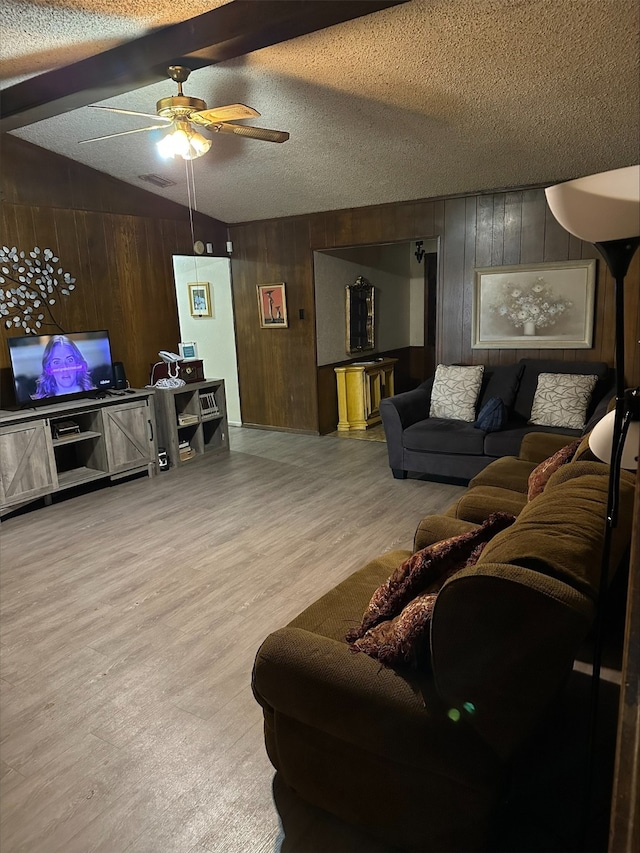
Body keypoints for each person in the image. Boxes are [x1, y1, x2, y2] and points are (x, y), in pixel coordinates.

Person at [31, 335, 97, 399]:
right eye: (56, 362)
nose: (64, 368)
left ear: (77, 363)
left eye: (69, 360)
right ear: (49, 367)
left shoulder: (96, 394)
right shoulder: (37, 402)